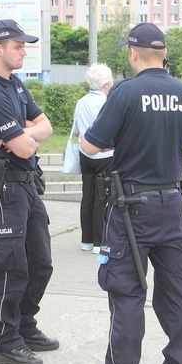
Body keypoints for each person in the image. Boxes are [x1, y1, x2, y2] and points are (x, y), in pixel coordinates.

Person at [81, 22, 182, 364]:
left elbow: (89, 146)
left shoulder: (124, 93)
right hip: (173, 202)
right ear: (163, 54)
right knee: (177, 290)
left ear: (133, 54)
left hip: (131, 209)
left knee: (126, 292)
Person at [0, 19, 57, 364]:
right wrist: (27, 135)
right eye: (19, 47)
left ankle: (24, 325)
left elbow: (47, 126)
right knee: (10, 265)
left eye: (25, 46)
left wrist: (24, 132)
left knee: (41, 262)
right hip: (4, 187)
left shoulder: (16, 84)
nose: (24, 52)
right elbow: (22, 148)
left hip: (26, 183)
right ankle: (6, 340)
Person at [72, 63, 114, 255]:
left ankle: (86, 240)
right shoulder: (106, 103)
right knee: (101, 198)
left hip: (85, 155)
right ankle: (99, 242)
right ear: (106, 83)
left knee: (87, 197)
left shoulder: (81, 102)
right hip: (104, 155)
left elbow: (76, 131)